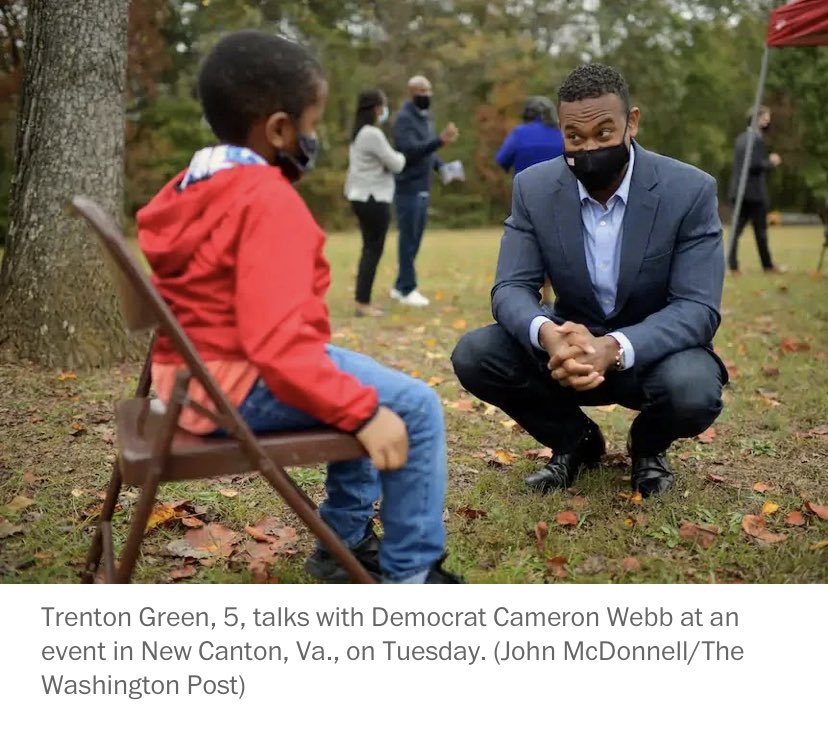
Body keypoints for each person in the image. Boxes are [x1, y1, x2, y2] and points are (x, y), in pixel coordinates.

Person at [136, 31, 459, 583]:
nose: (313, 138)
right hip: (234, 385)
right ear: (280, 128)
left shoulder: (192, 183)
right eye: (310, 125)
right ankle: (412, 576)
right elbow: (278, 346)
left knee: (358, 376)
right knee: (417, 409)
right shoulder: (265, 200)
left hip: (186, 380)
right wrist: (361, 412)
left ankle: (345, 543)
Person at [451, 63, 728, 498]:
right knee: (476, 353)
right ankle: (576, 442)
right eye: (574, 138)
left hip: (650, 355)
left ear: (631, 122)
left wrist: (613, 347)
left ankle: (648, 447)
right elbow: (510, 288)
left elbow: (698, 308)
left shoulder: (689, 190)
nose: (589, 148)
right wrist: (549, 335)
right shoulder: (534, 188)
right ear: (561, 131)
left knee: (693, 389)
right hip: (568, 352)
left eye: (604, 133)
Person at [390, 74, 459, 307]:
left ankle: (400, 286)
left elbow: (428, 151)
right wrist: (440, 141)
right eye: (422, 91)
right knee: (408, 239)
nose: (427, 95)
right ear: (411, 93)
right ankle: (408, 288)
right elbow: (410, 151)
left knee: (415, 239)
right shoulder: (403, 120)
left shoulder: (425, 118)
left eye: (429, 90)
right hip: (407, 187)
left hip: (423, 185)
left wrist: (443, 166)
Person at [344, 89, 406, 317]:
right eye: (383, 106)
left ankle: (363, 299)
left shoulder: (359, 133)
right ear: (375, 108)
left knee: (369, 248)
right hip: (373, 196)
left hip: (361, 195)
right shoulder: (372, 134)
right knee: (373, 249)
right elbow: (397, 163)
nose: (384, 110)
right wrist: (399, 156)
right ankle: (363, 302)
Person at [727, 105, 783, 274]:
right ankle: (767, 265)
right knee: (760, 232)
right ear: (758, 119)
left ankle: (733, 266)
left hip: (738, 191)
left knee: (735, 231)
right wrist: (771, 162)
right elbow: (753, 165)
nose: (768, 122)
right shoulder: (756, 139)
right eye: (766, 118)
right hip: (754, 194)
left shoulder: (740, 139)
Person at [495, 95, 564, 175]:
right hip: (558, 185)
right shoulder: (562, 134)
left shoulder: (520, 133)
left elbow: (502, 159)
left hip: (525, 186)